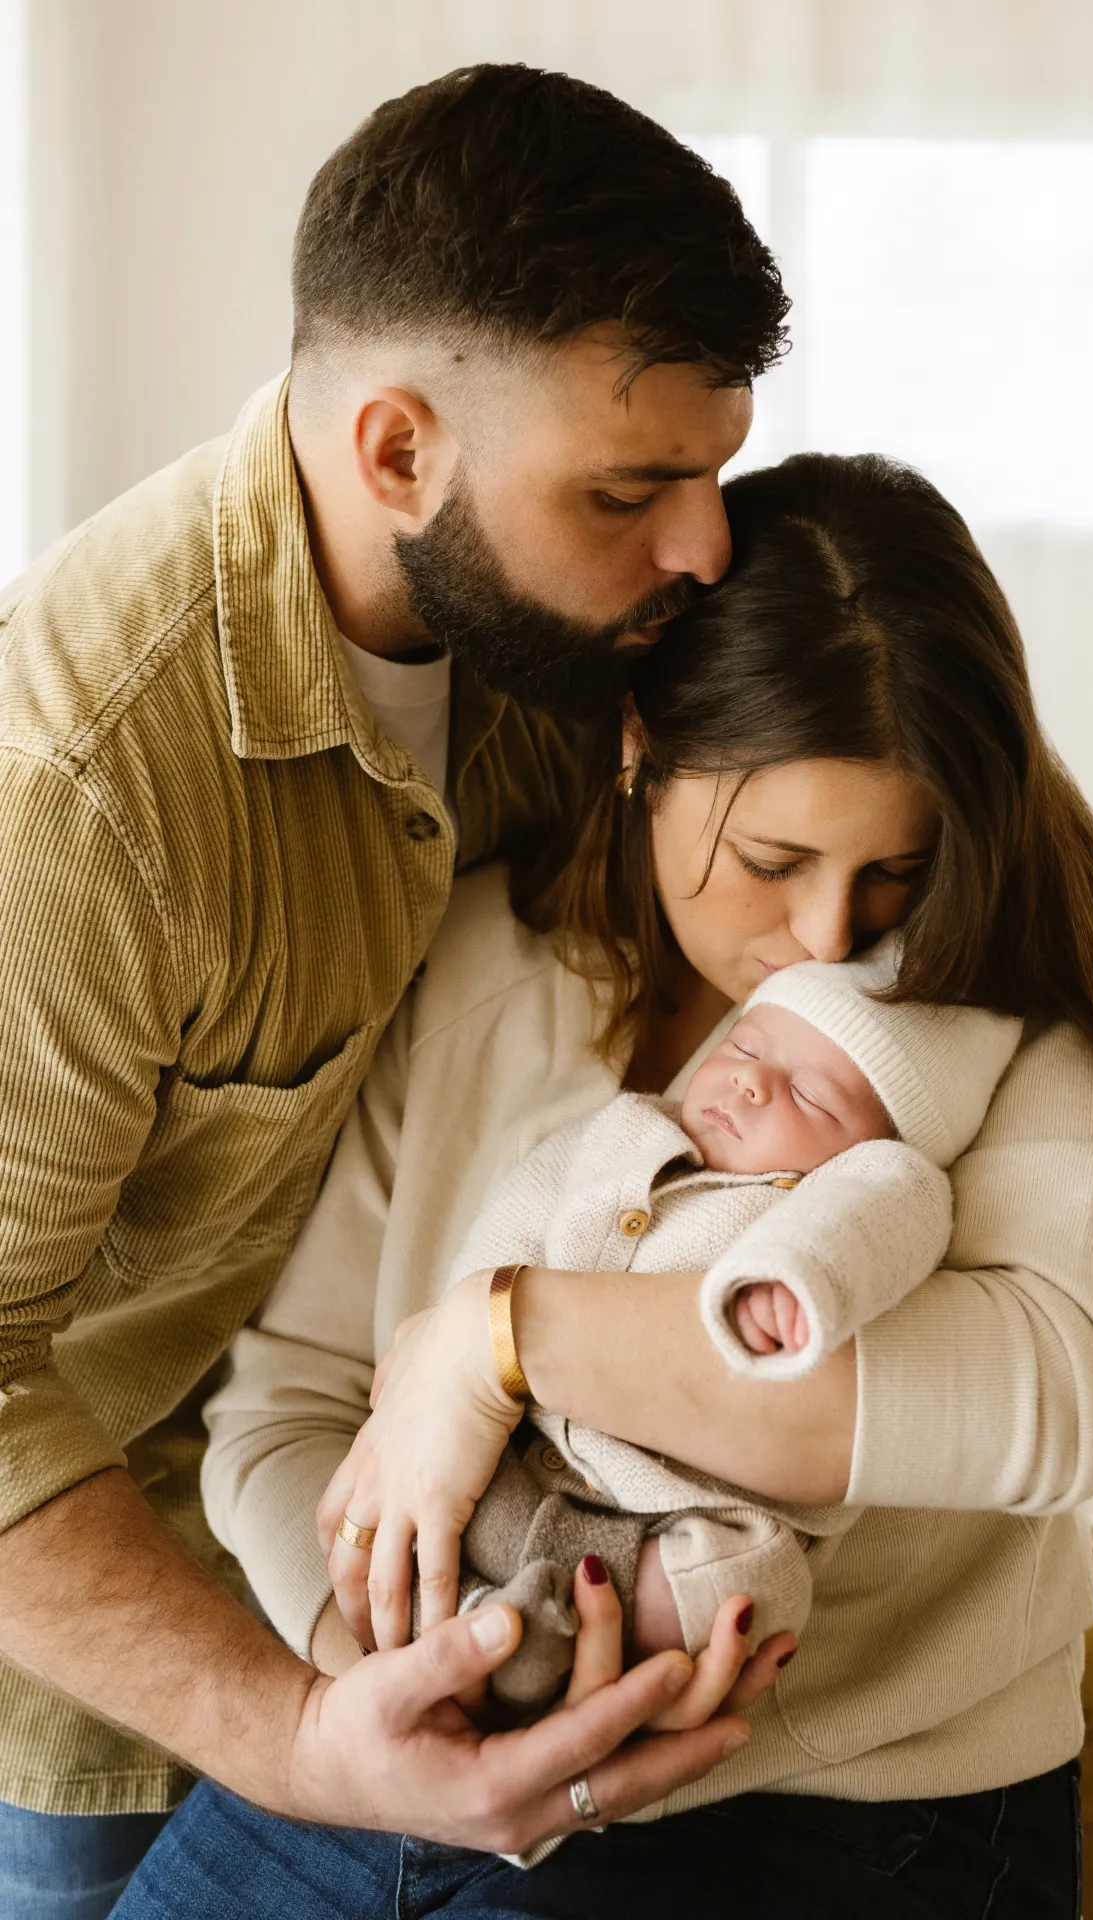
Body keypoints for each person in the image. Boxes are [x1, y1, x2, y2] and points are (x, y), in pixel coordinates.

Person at [118, 452, 1093, 1917]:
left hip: (844, 1794)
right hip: (408, 1747)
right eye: (775, 858)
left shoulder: (1021, 1012)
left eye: (899, 867)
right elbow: (292, 1403)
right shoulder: (480, 971)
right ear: (640, 741)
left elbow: (1059, 1394)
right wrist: (382, 1683)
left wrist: (502, 1338)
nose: (832, 933)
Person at [0, 64, 792, 1916]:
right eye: (633, 487)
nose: (704, 548)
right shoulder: (84, 794)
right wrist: (293, 1737)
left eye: (716, 471)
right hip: (119, 1669)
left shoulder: (568, 638)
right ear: (395, 452)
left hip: (467, 1549)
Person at [445, 955, 1022, 1715]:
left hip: (690, 1505)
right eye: (747, 1047)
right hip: (532, 1451)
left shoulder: (862, 1184)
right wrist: (448, 1341)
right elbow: (516, 1222)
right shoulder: (623, 1130)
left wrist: (791, 1281)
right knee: (441, 1500)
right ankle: (483, 1622)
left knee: (755, 1585)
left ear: (872, 1145)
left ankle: (526, 1638)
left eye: (811, 1095)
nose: (753, 1081)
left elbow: (885, 1217)